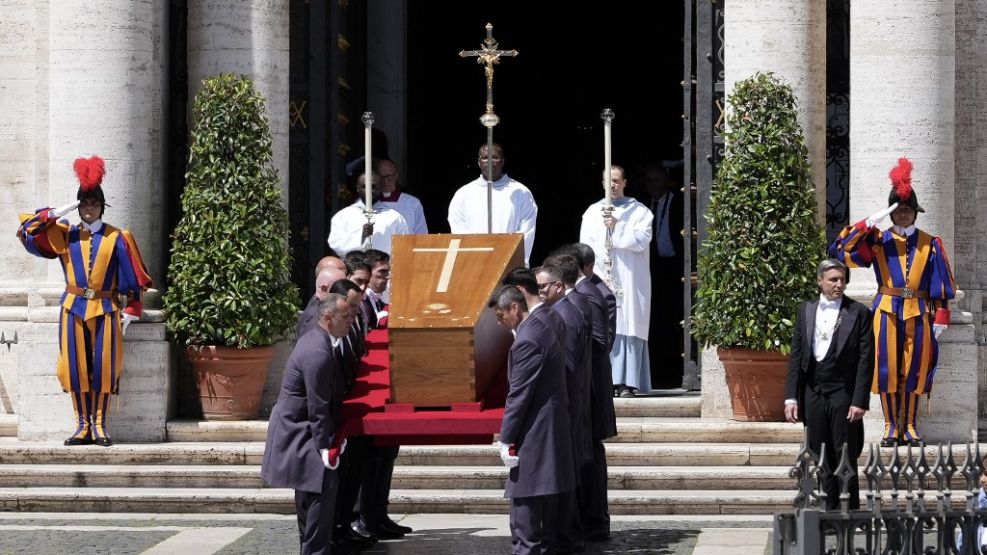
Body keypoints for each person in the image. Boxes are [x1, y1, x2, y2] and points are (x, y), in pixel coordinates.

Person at [16, 155, 152, 447]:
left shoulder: (118, 236)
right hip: (73, 308)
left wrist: (131, 311)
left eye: (94, 204)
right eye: (84, 204)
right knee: (75, 367)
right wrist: (58, 211)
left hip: (106, 309)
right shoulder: (65, 235)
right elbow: (27, 231)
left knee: (105, 367)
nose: (89, 209)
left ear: (102, 206)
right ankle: (81, 425)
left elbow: (134, 278)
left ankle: (100, 424)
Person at [829, 157, 956, 446]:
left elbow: (943, 285)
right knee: (885, 368)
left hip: (920, 311)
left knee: (915, 369)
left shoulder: (931, 243)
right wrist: (867, 223)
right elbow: (842, 251)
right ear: (891, 213)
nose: (903, 215)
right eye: (898, 211)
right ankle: (889, 426)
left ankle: (909, 426)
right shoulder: (877, 239)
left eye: (908, 210)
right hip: (886, 310)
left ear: (915, 213)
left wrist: (941, 319)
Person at [260, 293, 352, 554]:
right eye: (345, 317)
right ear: (328, 318)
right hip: (299, 430)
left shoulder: (318, 340)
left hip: (301, 428)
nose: (350, 322)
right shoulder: (318, 351)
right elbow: (318, 404)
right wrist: (325, 447)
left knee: (311, 493)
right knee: (322, 490)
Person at [489, 285, 575, 555]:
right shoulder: (539, 327)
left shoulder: (527, 339)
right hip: (547, 427)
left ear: (515, 308)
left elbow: (519, 395)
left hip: (535, 430)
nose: (499, 322)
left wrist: (506, 438)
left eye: (501, 316)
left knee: (524, 504)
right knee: (543, 502)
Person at [784, 259, 872, 510]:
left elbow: (866, 361)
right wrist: (791, 396)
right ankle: (826, 507)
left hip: (843, 392)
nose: (839, 284)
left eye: (842, 279)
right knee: (818, 451)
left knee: (844, 451)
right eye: (833, 279)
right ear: (819, 281)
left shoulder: (859, 313)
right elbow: (797, 355)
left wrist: (859, 400)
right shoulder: (806, 310)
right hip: (813, 390)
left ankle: (848, 508)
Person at [546, 248, 616, 542]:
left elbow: (601, 341)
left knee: (589, 458)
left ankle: (594, 520)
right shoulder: (584, 292)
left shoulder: (590, 294)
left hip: (590, 391)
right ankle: (589, 519)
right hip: (586, 391)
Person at [579, 165, 654, 397]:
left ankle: (627, 383)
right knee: (605, 325)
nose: (612, 185)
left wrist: (617, 226)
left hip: (631, 278)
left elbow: (641, 239)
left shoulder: (639, 211)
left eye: (616, 180)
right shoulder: (592, 212)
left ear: (624, 183)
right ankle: (606, 381)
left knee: (629, 324)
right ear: (602, 183)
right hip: (604, 276)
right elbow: (585, 247)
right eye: (608, 181)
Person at [535, 263, 593, 552]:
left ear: (558, 286)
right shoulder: (564, 309)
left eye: (543, 287)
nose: (540, 292)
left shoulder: (564, 314)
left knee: (564, 473)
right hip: (570, 403)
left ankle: (566, 534)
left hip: (567, 405)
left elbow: (567, 367)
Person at [448, 143, 538, 266]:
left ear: (502, 161)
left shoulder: (521, 192)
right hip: (473, 264)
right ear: (479, 162)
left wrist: (514, 262)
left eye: (495, 157)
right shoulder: (464, 193)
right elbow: (459, 231)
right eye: (485, 158)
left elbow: (526, 232)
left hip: (509, 265)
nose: (489, 162)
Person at [637, 164, 685, 388]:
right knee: (654, 318)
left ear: (666, 180)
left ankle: (676, 368)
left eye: (657, 180)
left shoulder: (679, 201)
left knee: (674, 316)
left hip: (675, 267)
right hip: (650, 267)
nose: (653, 186)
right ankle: (656, 368)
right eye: (649, 181)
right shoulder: (640, 206)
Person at [328, 167, 410, 257]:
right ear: (358, 188)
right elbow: (335, 244)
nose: (369, 191)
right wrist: (361, 237)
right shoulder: (343, 216)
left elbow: (404, 247)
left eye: (374, 187)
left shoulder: (395, 218)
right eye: (365, 187)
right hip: (355, 268)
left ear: (381, 189)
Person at [376, 159, 428, 234]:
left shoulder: (413, 203)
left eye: (388, 176)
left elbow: (421, 235)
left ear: (396, 176)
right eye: (381, 177)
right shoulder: (369, 204)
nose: (385, 181)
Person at [296, 266, 347, 339]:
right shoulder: (316, 317)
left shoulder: (320, 307)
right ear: (324, 289)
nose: (346, 292)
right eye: (340, 288)